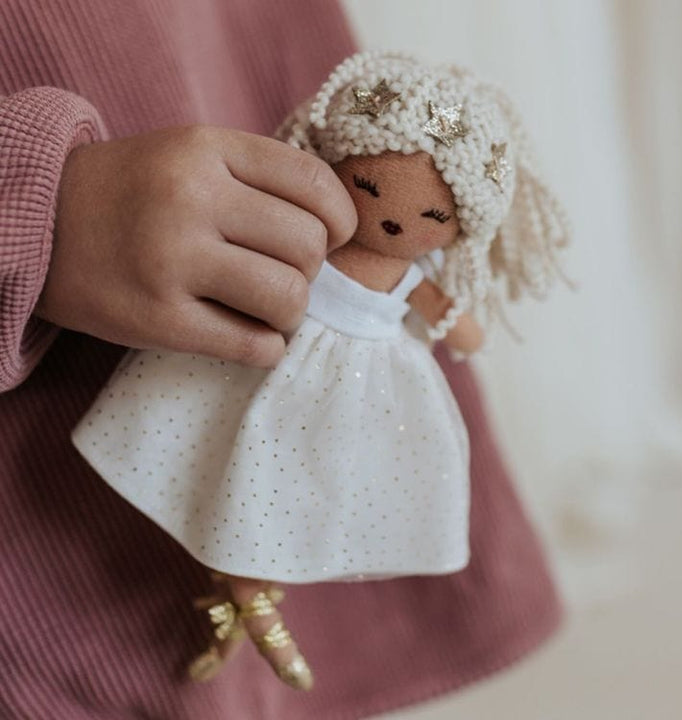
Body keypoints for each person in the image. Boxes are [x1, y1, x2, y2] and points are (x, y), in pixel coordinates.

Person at [0, 1, 561, 717]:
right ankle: (249, 606)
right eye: (374, 192)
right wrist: (30, 203)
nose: (396, 220)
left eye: (429, 218)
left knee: (300, 498)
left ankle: (244, 609)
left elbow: (456, 322)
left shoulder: (343, 232)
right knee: (225, 477)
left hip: (333, 384)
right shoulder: (315, 234)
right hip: (218, 349)